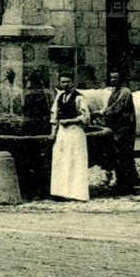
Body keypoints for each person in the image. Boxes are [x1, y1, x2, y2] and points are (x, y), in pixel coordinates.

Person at [48, 72, 92, 202]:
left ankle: (77, 194)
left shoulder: (79, 98)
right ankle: (61, 192)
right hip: (62, 133)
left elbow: (86, 118)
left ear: (73, 82)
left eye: (68, 82)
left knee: (75, 162)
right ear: (60, 83)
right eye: (63, 82)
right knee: (61, 161)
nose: (65, 84)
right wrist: (53, 132)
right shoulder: (59, 97)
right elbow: (54, 115)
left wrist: (70, 121)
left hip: (75, 133)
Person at [98, 70, 139, 194]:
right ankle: (122, 182)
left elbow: (117, 107)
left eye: (116, 78)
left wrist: (102, 113)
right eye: (111, 78)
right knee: (118, 156)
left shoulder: (125, 92)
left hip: (125, 129)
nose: (113, 80)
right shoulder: (114, 91)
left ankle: (128, 184)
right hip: (117, 128)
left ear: (121, 79)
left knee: (125, 156)